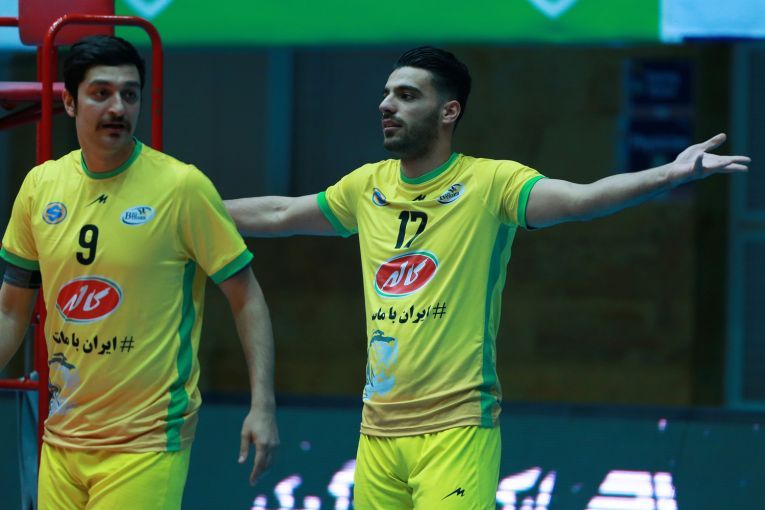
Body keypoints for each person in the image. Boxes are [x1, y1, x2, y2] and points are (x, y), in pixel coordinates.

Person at [225, 47, 750, 509]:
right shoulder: (366, 187)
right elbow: (279, 212)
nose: (386, 105)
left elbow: (581, 200)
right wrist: (191, 211)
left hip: (456, 430)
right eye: (386, 94)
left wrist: (669, 173)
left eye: (407, 95)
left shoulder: (491, 182)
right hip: (376, 431)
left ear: (448, 111)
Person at [0, 35, 279, 509]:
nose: (118, 107)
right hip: (62, 439)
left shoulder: (182, 187)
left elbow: (246, 297)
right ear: (69, 102)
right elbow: (10, 313)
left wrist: (263, 405)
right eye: (101, 93)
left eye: (129, 94)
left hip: (146, 444)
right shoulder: (39, 187)